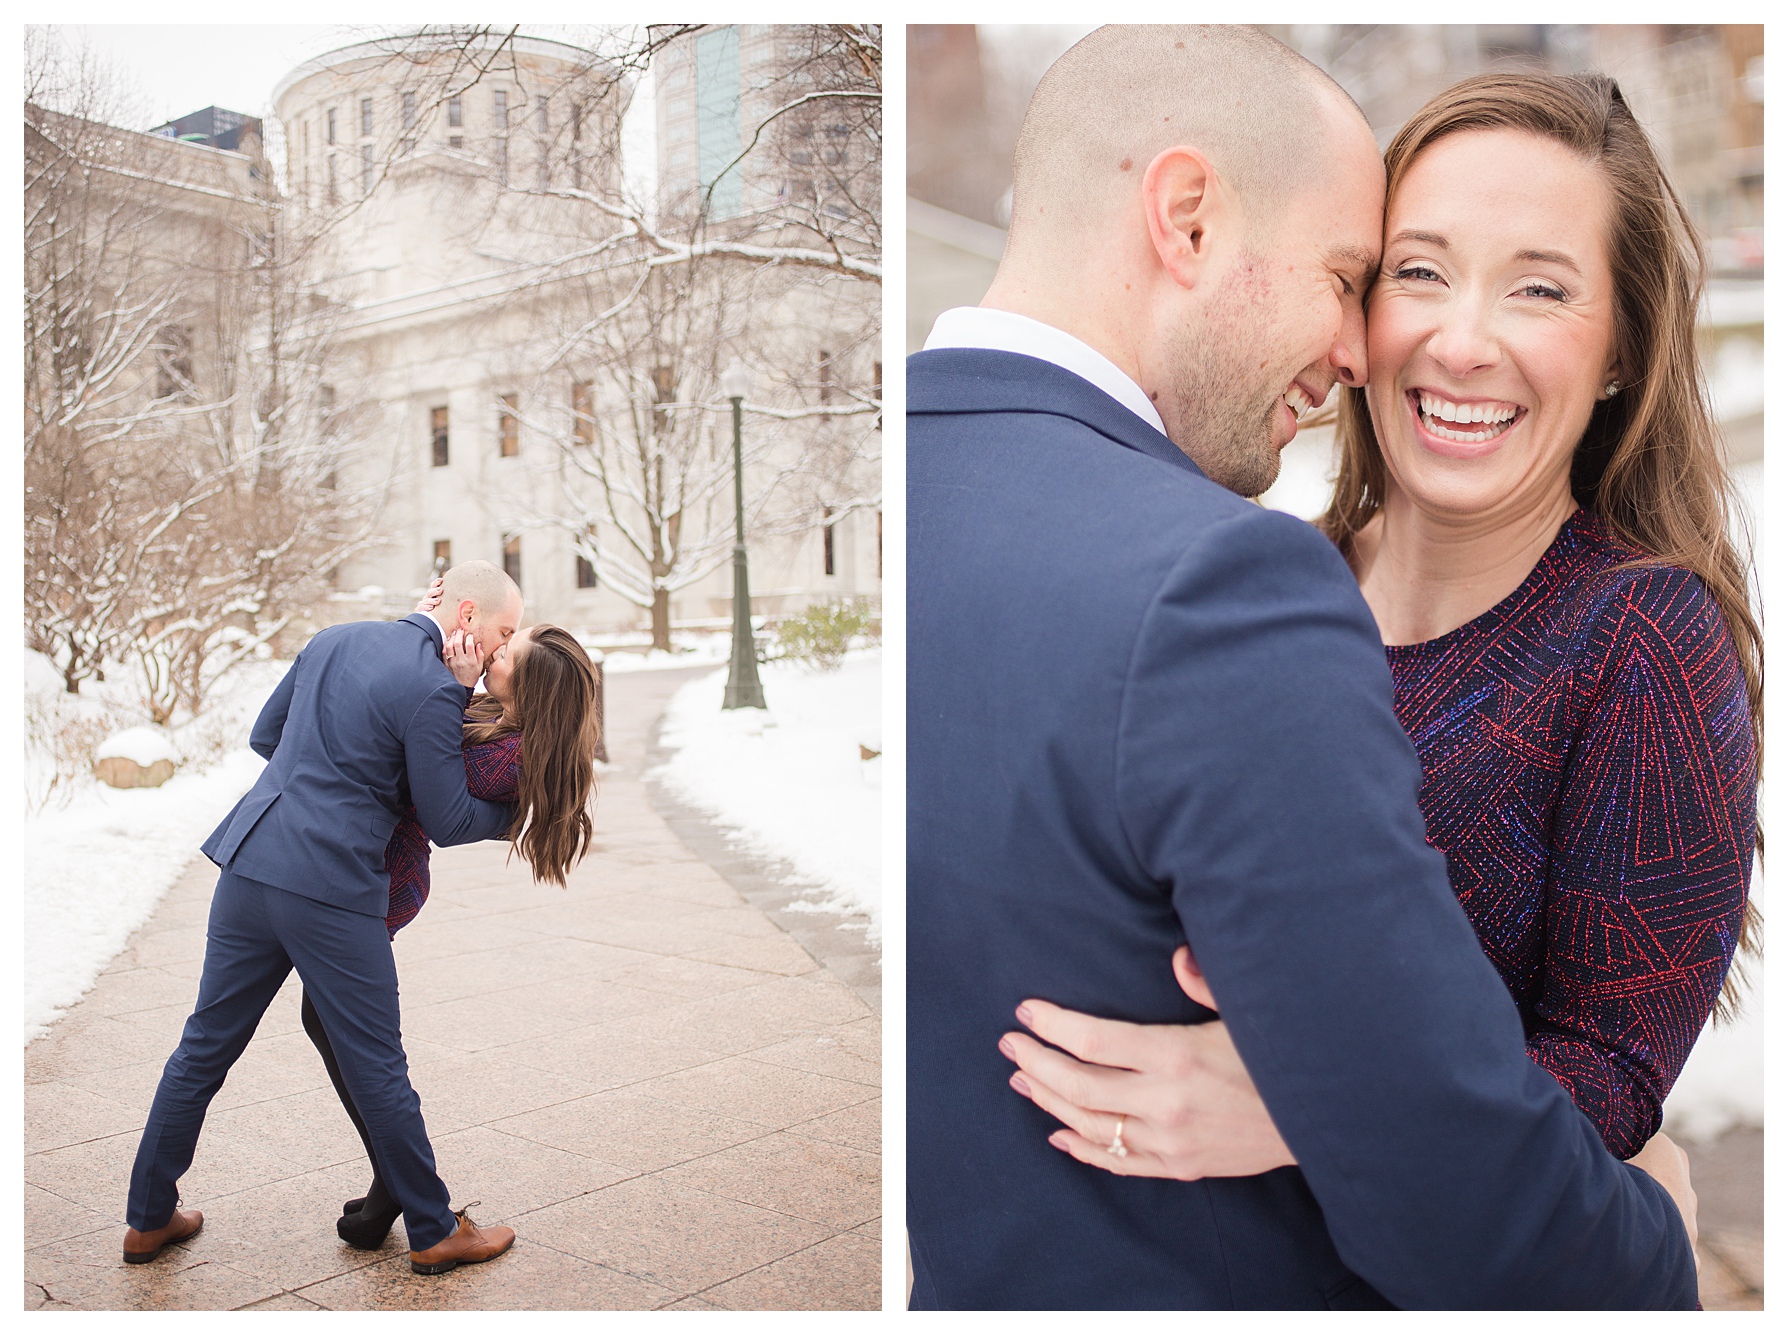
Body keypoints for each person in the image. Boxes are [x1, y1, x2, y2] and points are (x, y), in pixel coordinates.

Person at [907, 26, 1699, 1309]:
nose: (1429, 339)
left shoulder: (1639, 633)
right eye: (1390, 273)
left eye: (1542, 288)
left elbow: (1613, 1055)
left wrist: (1309, 1099)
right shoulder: (1257, 575)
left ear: (1620, 348)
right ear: (1186, 218)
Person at [123, 561, 524, 1277]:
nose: (501, 647)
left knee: (204, 1044)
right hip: (332, 884)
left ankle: (149, 1217)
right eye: (502, 630)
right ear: (467, 614)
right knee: (377, 1060)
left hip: (249, 860)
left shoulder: (333, 637)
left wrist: (330, 767)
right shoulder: (439, 687)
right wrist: (518, 813)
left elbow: (264, 735)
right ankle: (434, 1229)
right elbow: (450, 816)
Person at [312, 581, 602, 1254]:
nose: (494, 650)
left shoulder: (513, 749)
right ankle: (395, 1179)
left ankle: (402, 1186)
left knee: (351, 1035)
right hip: (376, 869)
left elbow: (431, 778)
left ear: (528, 693)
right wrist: (429, 634)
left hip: (382, 880)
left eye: (507, 654)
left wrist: (452, 682)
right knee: (327, 1022)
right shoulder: (496, 716)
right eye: (507, 638)